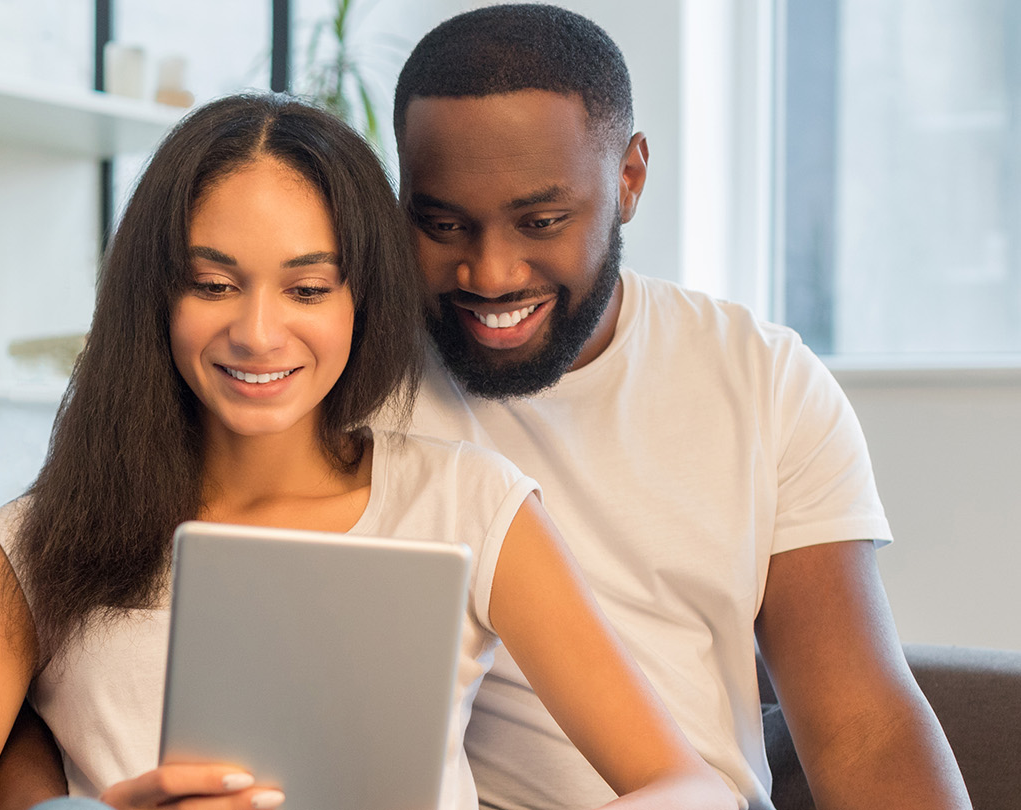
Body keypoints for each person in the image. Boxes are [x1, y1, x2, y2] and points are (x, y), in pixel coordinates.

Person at [0, 93, 736, 810]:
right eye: (214, 284)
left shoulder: (468, 503)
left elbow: (686, 785)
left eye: (307, 288)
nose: (258, 333)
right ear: (156, 294)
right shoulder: (37, 545)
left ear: (359, 301)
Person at [391, 6, 969, 810]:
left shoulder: (762, 380)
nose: (490, 273)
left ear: (629, 179)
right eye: (445, 224)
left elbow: (861, 728)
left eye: (542, 221)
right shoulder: (352, 384)